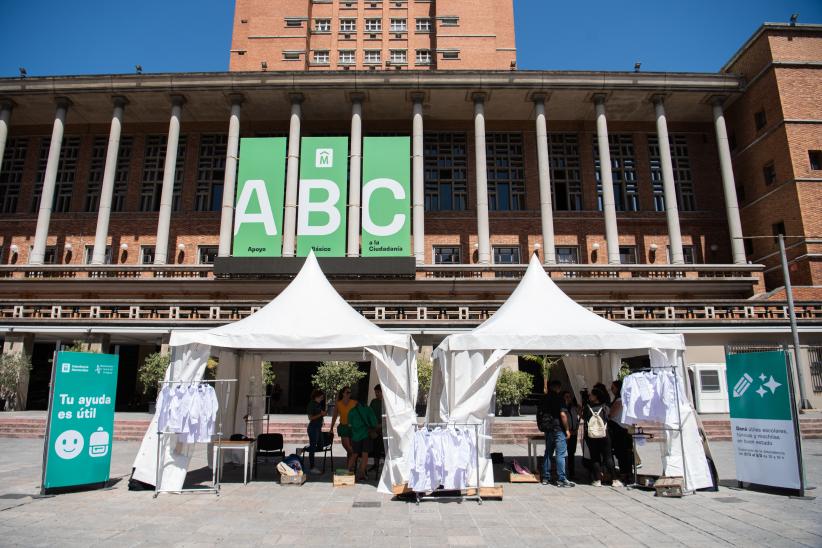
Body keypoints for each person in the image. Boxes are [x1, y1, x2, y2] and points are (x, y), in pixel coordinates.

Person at [536, 380, 575, 488]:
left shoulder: (543, 398)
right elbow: (562, 414)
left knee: (548, 452)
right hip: (558, 429)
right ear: (558, 388)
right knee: (560, 454)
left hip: (548, 429)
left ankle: (545, 478)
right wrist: (567, 429)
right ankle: (561, 479)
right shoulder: (559, 398)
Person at [582, 386, 621, 486]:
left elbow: (584, 418)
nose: (590, 396)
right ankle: (614, 479)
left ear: (595, 396)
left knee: (595, 457)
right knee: (608, 456)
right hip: (604, 435)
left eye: (591, 395)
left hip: (591, 435)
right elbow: (609, 417)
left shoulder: (587, 408)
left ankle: (598, 480)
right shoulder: (605, 407)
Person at [609, 379, 633, 482]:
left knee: (622, 452)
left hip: (619, 429)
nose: (611, 390)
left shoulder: (619, 400)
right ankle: (628, 472)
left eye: (613, 388)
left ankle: (624, 473)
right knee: (625, 452)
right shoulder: (625, 399)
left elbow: (612, 414)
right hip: (625, 428)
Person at [347, 400, 377, 480]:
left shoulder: (352, 411)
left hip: (355, 436)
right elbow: (374, 423)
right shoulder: (368, 410)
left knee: (354, 454)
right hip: (366, 436)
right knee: (365, 455)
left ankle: (347, 471)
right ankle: (361, 474)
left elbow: (349, 425)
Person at [329, 386, 358, 461]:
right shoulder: (338, 404)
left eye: (350, 392)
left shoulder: (354, 403)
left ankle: (350, 467)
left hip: (353, 427)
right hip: (343, 427)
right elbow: (334, 416)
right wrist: (331, 428)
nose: (349, 394)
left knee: (351, 447)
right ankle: (356, 457)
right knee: (347, 446)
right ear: (343, 393)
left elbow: (359, 414)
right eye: (347, 392)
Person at [305, 389, 326, 474]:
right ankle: (312, 466)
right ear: (316, 396)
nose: (322, 398)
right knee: (313, 446)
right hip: (313, 428)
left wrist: (322, 416)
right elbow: (310, 418)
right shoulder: (311, 404)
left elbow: (319, 414)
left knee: (321, 445)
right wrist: (321, 414)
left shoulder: (318, 404)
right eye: (321, 397)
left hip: (318, 428)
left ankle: (307, 449)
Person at [561, 390, 580, 479]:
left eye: (569, 396)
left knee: (571, 453)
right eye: (566, 396)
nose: (568, 398)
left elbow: (580, 415)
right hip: (564, 433)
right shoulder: (562, 407)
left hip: (573, 433)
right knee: (563, 453)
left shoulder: (574, 407)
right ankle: (563, 472)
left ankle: (572, 472)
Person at [368, 385, 384, 471]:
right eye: (376, 392)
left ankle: (379, 464)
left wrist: (381, 425)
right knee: (373, 444)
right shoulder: (373, 402)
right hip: (373, 427)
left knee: (379, 443)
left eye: (378, 392)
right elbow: (369, 413)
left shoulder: (386, 402)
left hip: (382, 428)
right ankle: (375, 463)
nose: (376, 394)